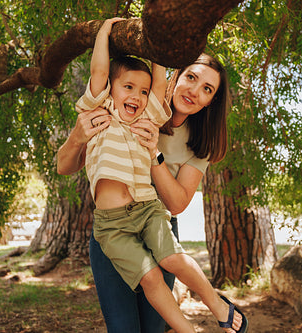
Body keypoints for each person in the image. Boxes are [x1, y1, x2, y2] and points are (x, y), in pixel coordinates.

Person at [57, 18, 248, 333]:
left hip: (153, 214)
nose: (195, 91)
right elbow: (65, 163)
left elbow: (176, 204)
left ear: (212, 100)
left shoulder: (175, 127)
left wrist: (153, 154)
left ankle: (215, 305)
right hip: (111, 224)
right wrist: (78, 136)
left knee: (154, 325)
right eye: (191, 77)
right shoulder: (123, 106)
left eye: (207, 89)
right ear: (177, 73)